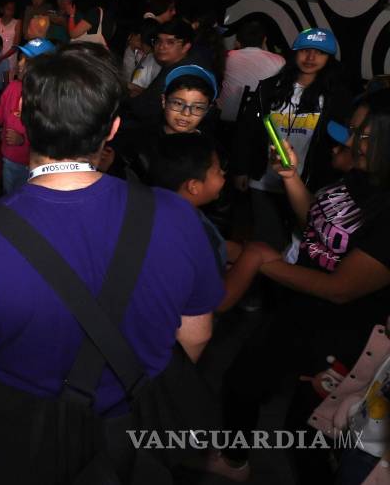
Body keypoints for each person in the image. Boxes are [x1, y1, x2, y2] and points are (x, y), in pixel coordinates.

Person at [0, 44, 223, 483]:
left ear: (25, 117)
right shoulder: (176, 215)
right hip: (131, 437)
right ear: (112, 128)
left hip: (24, 440)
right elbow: (195, 335)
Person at [216, 90, 390, 482]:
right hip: (298, 309)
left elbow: (340, 288)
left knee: (307, 432)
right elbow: (318, 222)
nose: (349, 141)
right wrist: (291, 178)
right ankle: (234, 461)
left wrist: (264, 262)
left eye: (361, 134)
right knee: (242, 383)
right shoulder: (358, 176)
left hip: (340, 335)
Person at [232, 27, 351, 248]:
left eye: (319, 52)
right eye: (305, 50)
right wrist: (241, 168)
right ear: (295, 53)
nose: (311, 57)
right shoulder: (270, 87)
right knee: (267, 241)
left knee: (302, 243)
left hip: (309, 183)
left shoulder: (336, 95)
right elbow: (247, 130)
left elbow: (340, 141)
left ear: (329, 58)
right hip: (265, 180)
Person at [152, 133, 262, 312]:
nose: (223, 173)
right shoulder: (193, 231)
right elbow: (216, 302)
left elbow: (219, 247)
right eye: (217, 171)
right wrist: (253, 257)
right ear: (193, 186)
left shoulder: (162, 210)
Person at [0, 38, 56, 196]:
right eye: (21, 58)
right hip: (12, 160)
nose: (20, 64)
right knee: (11, 194)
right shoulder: (13, 87)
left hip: (38, 165)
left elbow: (49, 136)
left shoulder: (49, 99)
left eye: (27, 61)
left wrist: (23, 140)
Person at [123, 19, 197, 129]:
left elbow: (151, 110)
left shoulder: (183, 74)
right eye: (158, 41)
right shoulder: (172, 66)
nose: (161, 46)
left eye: (170, 42)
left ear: (186, 46)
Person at [217, 21, 286, 124]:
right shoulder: (279, 61)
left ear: (237, 41)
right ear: (264, 40)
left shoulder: (227, 56)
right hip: (259, 119)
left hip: (226, 116)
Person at [121, 21, 160, 97]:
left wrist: (136, 88)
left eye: (140, 39)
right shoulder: (145, 56)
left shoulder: (156, 62)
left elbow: (155, 94)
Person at [0, 0, 21, 89]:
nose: (10, 11)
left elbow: (16, 46)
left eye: (12, 9)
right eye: (8, 8)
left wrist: (2, 58)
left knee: (6, 86)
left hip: (9, 58)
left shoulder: (17, 23)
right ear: (2, 9)